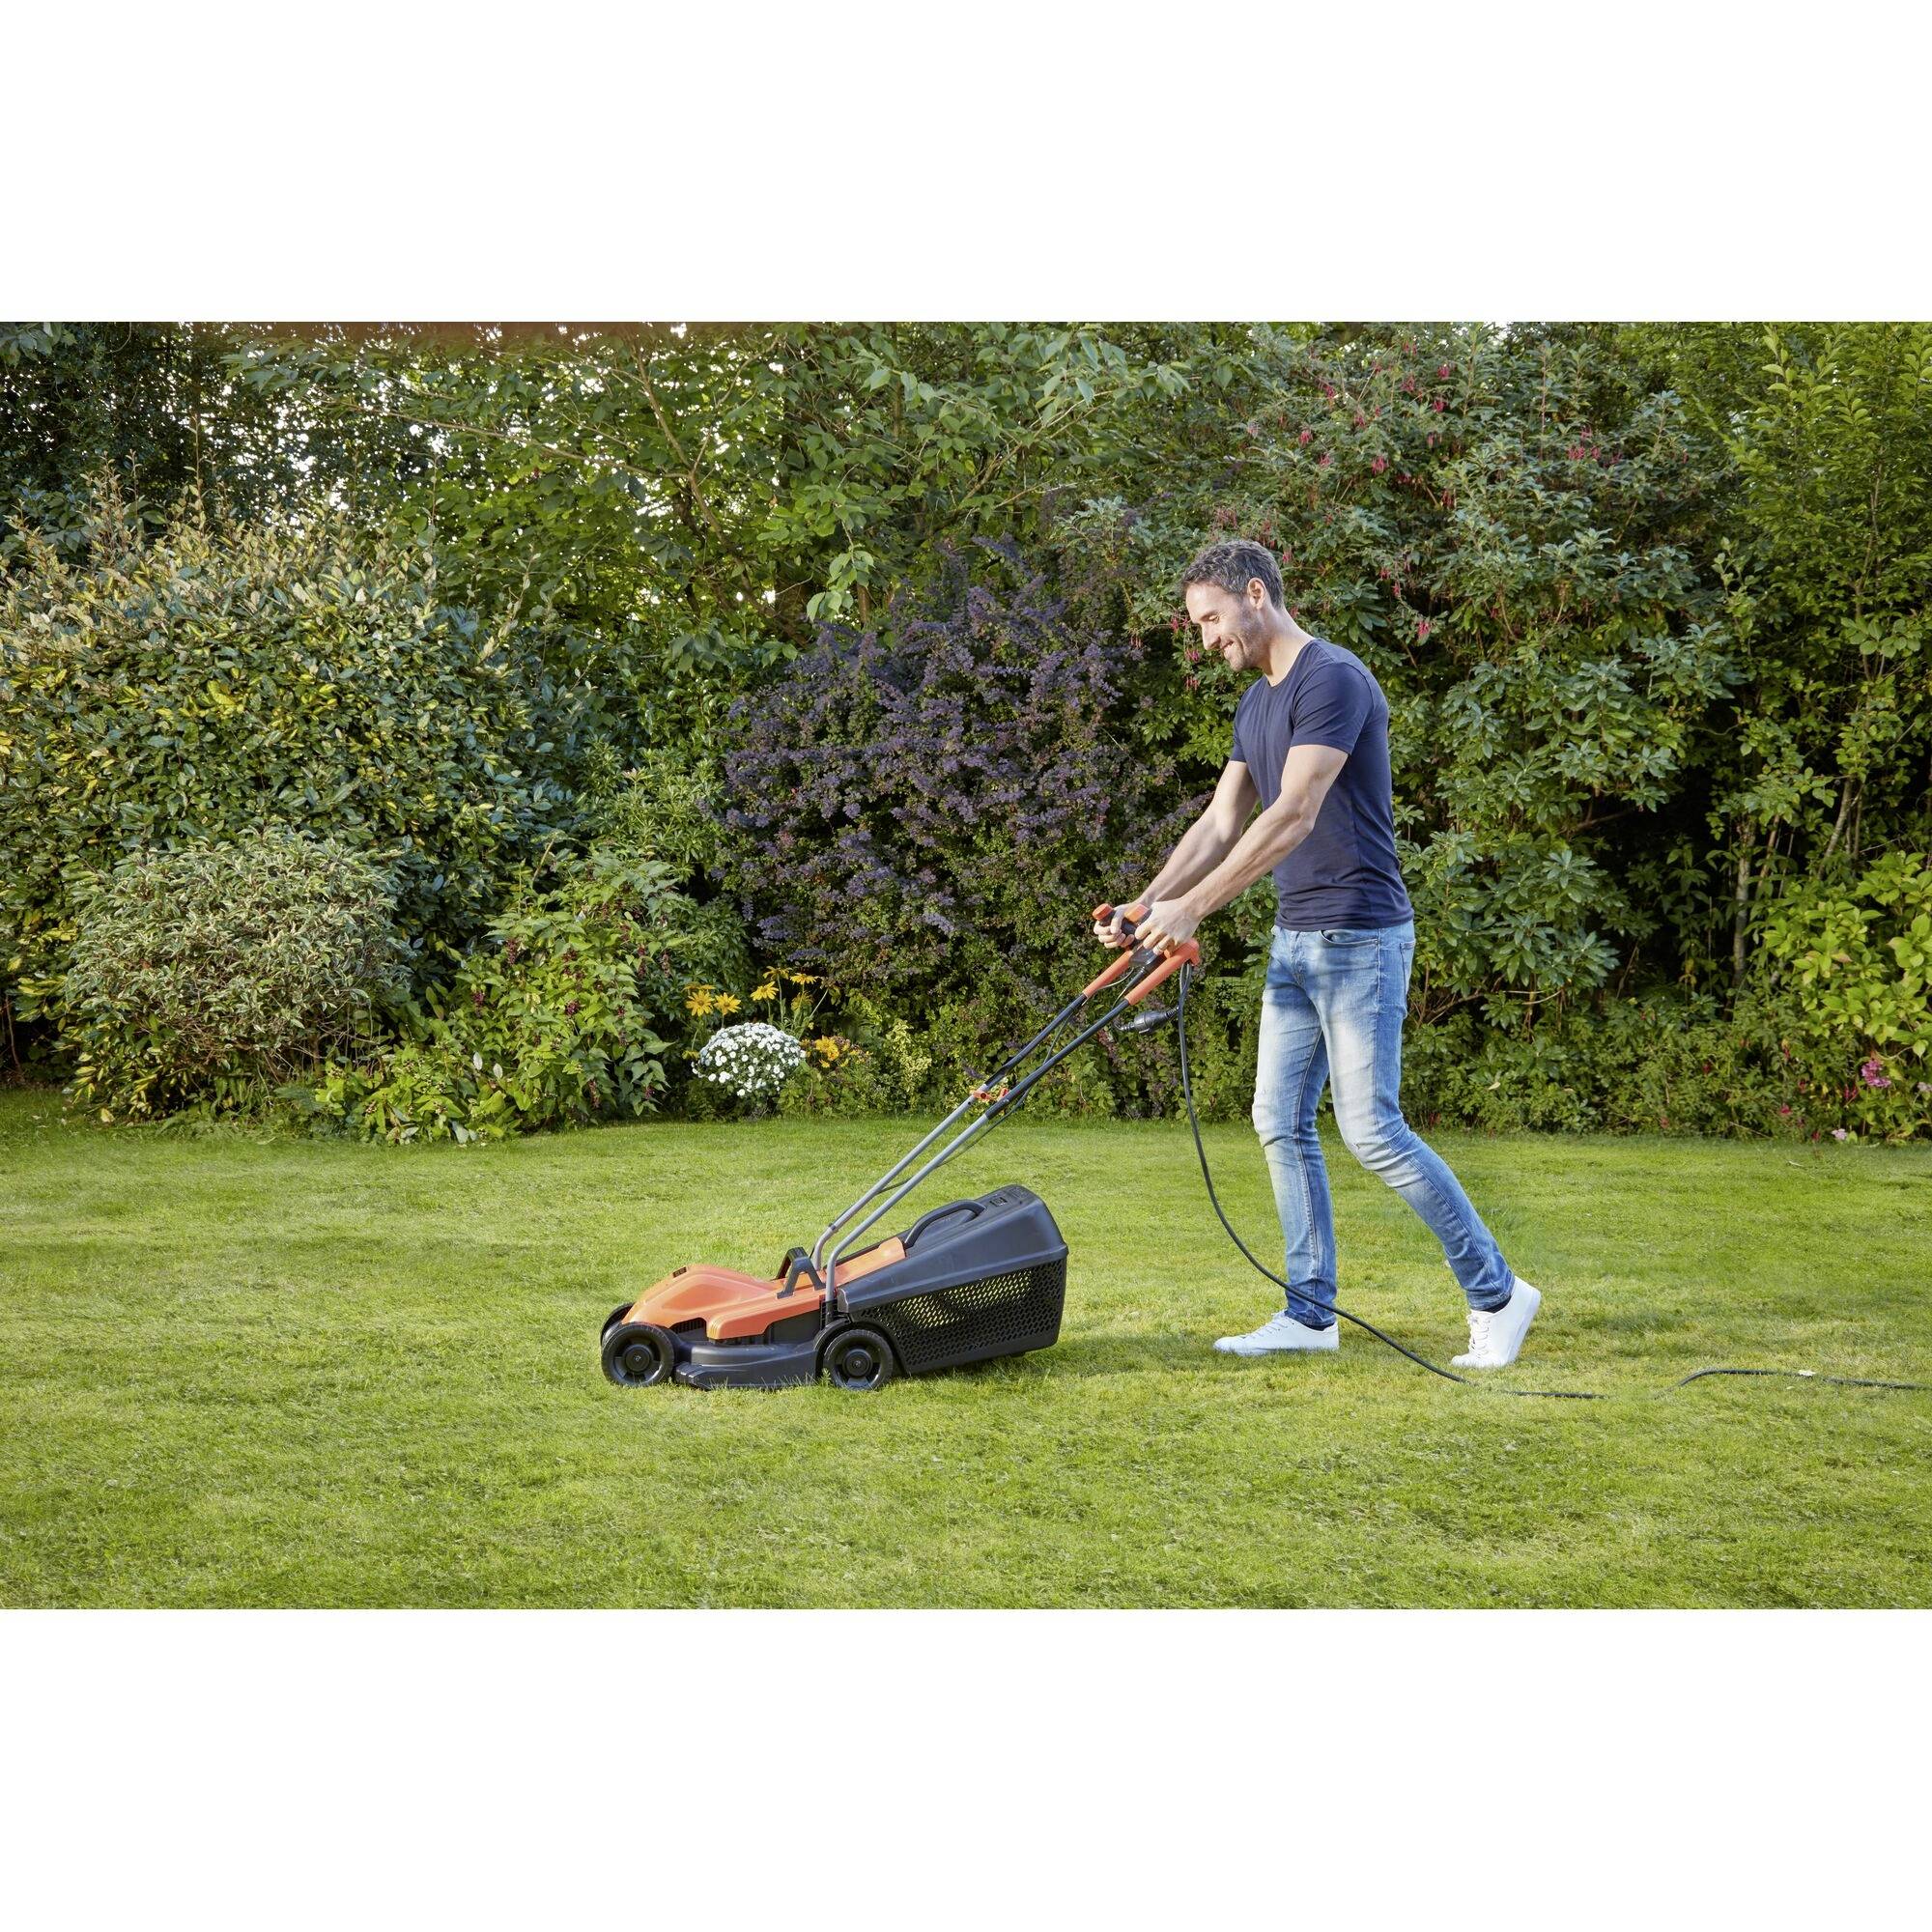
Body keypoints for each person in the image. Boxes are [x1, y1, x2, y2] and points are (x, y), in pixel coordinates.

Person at [1096, 538, 1541, 1368]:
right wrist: (1149, 903)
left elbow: (1294, 813)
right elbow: (1220, 824)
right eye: (1198, 626)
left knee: (1371, 1131)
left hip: (1360, 935)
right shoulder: (1256, 704)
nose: (1207, 640)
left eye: (1212, 620)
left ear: (1255, 594)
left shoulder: (1331, 679)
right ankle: (1309, 1315)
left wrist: (1194, 908)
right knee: (1279, 1121)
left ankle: (1499, 1294)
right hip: (1296, 939)